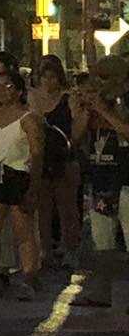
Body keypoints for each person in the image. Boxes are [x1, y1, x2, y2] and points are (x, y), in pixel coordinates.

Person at [0, 68, 45, 300]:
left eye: (8, 87)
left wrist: (33, 187)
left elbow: (37, 154)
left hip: (18, 174)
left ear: (18, 91)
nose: (2, 91)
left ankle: (29, 276)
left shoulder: (28, 119)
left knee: (23, 230)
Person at [74, 57, 129, 309]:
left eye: (104, 79)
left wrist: (105, 111)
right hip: (101, 179)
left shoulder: (124, 103)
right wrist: (86, 113)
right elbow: (75, 138)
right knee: (102, 241)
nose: (99, 84)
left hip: (126, 179)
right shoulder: (95, 104)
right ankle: (102, 291)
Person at [32, 55, 81, 272]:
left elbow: (76, 124)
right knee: (43, 205)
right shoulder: (33, 97)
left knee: (66, 205)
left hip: (64, 154)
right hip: (43, 156)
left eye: (52, 77)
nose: (48, 82)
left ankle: (68, 247)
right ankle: (45, 249)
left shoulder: (68, 98)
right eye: (44, 77)